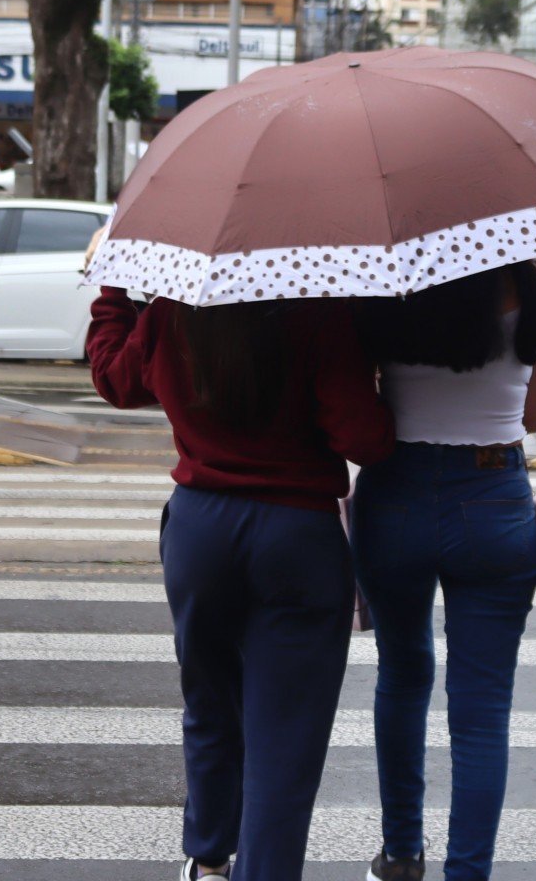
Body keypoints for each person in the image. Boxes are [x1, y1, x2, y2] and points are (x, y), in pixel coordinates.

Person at [87, 265, 395, 881]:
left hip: (201, 530)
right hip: (296, 535)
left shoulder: (175, 308)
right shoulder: (320, 310)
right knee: (288, 734)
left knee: (209, 699)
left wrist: (112, 291)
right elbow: (366, 439)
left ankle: (206, 859)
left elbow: (115, 380)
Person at [352, 262, 536, 881]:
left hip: (395, 493)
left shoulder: (388, 277)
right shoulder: (528, 287)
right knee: (482, 708)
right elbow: (534, 419)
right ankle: (466, 873)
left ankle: (400, 855)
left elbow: (361, 399)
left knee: (403, 672)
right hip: (492, 496)